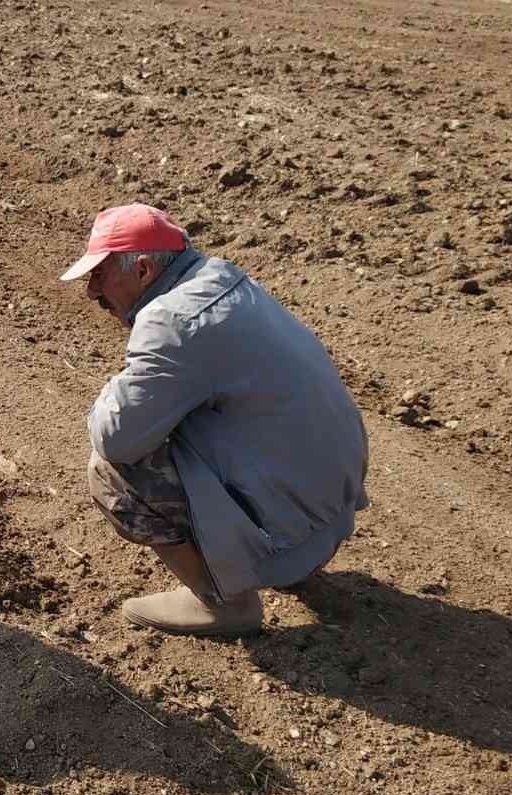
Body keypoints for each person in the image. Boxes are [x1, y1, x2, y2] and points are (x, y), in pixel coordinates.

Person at [60, 203, 368, 637]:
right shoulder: (222, 277)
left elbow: (117, 439)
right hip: (333, 506)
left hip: (290, 532)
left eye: (100, 274)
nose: (92, 291)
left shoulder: (172, 321)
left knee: (111, 471)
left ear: (144, 269)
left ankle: (223, 603)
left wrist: (115, 389)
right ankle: (289, 558)